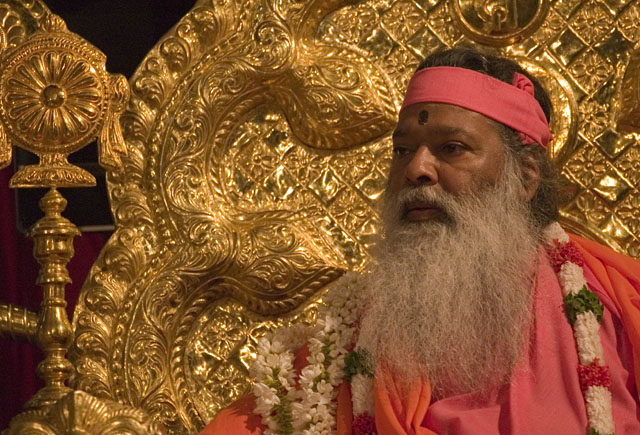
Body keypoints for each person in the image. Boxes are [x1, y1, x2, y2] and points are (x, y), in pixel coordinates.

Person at [200, 47, 640, 434]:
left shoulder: (617, 307)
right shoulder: (340, 349)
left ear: (524, 178)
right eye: (403, 150)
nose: (416, 170)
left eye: (451, 148)